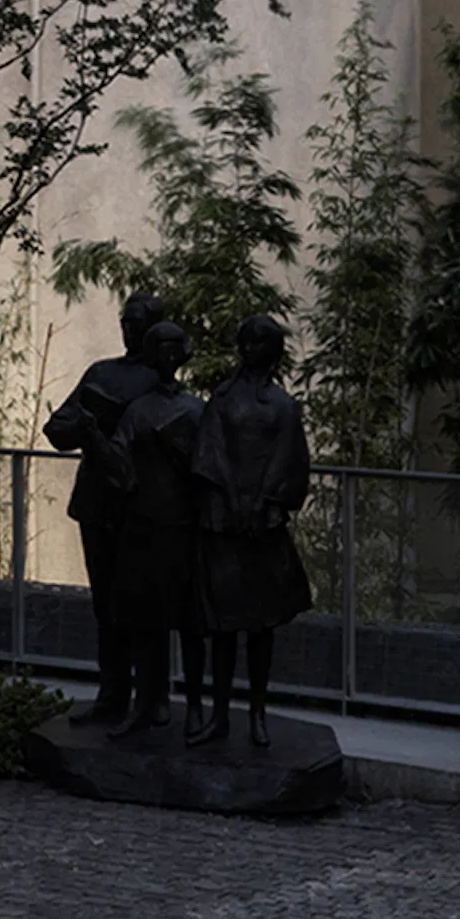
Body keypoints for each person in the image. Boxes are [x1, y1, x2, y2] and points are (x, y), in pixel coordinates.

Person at [41, 289, 170, 724]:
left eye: (139, 323)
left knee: (148, 605)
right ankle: (113, 694)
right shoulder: (102, 373)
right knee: (106, 606)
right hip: (99, 502)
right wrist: (88, 425)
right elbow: (56, 428)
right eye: (126, 323)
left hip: (145, 505)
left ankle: (154, 699)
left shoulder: (163, 385)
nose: (130, 331)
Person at [187, 311, 313, 749]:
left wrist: (264, 503)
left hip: (263, 526)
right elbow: (208, 454)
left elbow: (290, 459)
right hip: (223, 523)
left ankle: (258, 713)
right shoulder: (220, 399)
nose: (251, 350)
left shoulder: (282, 404)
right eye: (248, 341)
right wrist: (227, 499)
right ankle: (220, 715)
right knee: (223, 627)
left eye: (261, 343)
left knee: (262, 628)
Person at [106, 318, 205, 735]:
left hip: (184, 524)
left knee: (191, 619)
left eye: (172, 349)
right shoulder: (139, 409)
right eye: (158, 350)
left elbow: (210, 465)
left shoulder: (198, 409)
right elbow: (117, 459)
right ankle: (146, 702)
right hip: (143, 523)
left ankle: (196, 705)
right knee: (145, 619)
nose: (166, 358)